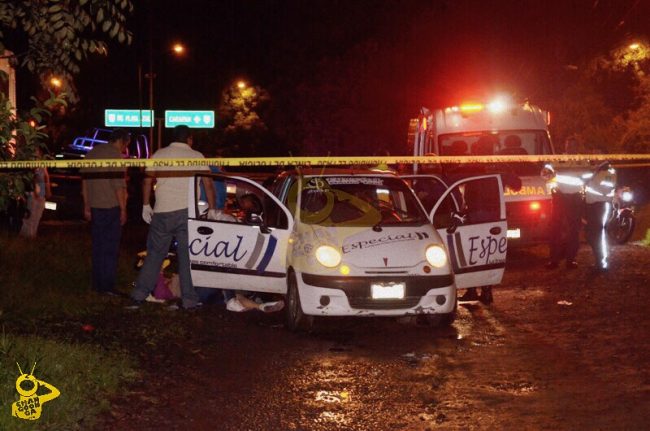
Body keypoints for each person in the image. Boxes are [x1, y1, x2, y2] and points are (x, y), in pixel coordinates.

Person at [129, 125, 217, 310]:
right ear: (189, 139)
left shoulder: (159, 154)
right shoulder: (196, 156)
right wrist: (212, 209)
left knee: (154, 255)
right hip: (187, 213)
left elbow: (147, 180)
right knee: (187, 257)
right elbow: (208, 184)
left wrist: (146, 204)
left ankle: (139, 295)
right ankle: (189, 301)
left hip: (162, 212)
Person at [81, 129, 129, 295]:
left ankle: (97, 285)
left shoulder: (92, 153)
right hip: (111, 208)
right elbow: (119, 186)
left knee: (98, 247)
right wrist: (123, 209)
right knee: (110, 248)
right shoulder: (115, 156)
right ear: (122, 141)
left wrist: (87, 206)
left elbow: (85, 184)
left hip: (95, 207)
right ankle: (108, 286)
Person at [542, 137, 585, 270]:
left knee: (573, 230)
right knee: (555, 229)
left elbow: (589, 177)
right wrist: (553, 185)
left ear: (577, 147)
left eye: (573, 145)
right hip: (559, 197)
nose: (570, 147)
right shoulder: (557, 159)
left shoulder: (582, 161)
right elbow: (544, 174)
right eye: (568, 145)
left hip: (575, 199)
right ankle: (554, 260)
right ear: (565, 146)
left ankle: (570, 260)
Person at [584, 161, 617, 272]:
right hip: (591, 205)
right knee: (590, 234)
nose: (595, 156)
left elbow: (606, 189)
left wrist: (591, 179)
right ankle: (599, 260)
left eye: (598, 153)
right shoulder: (594, 169)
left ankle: (602, 263)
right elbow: (583, 180)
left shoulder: (609, 171)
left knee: (599, 234)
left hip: (602, 205)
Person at [20, 147, 51, 238]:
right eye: (34, 153)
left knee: (37, 215)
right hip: (32, 193)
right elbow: (32, 178)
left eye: (38, 153)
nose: (36, 155)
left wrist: (48, 190)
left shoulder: (42, 164)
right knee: (30, 215)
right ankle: (27, 235)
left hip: (41, 193)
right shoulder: (30, 164)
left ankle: (33, 234)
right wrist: (35, 191)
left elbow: (46, 177)